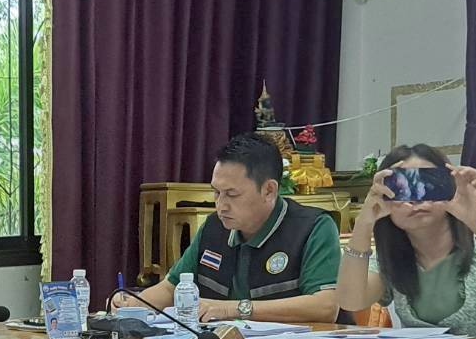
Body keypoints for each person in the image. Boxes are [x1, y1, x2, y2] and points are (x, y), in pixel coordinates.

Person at [336, 144, 476, 338]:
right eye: (403, 188)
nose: (416, 200)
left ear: (449, 186)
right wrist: (364, 223)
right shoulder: (390, 256)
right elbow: (351, 301)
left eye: (428, 185)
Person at [124, 133, 341, 324]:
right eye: (216, 193)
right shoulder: (214, 227)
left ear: (269, 190)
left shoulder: (313, 228)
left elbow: (326, 306)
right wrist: (130, 306)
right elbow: (170, 289)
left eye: (232, 194)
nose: (221, 205)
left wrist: (233, 309)